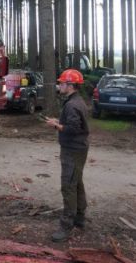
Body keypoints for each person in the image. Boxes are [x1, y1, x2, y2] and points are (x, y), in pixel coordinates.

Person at [43, 69, 89, 242]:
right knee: (76, 182)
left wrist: (56, 126)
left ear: (70, 86)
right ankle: (80, 218)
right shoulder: (76, 101)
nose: (59, 85)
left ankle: (66, 225)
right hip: (79, 149)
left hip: (72, 150)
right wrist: (58, 122)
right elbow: (72, 124)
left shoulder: (72, 105)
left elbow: (73, 129)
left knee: (68, 185)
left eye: (62, 83)